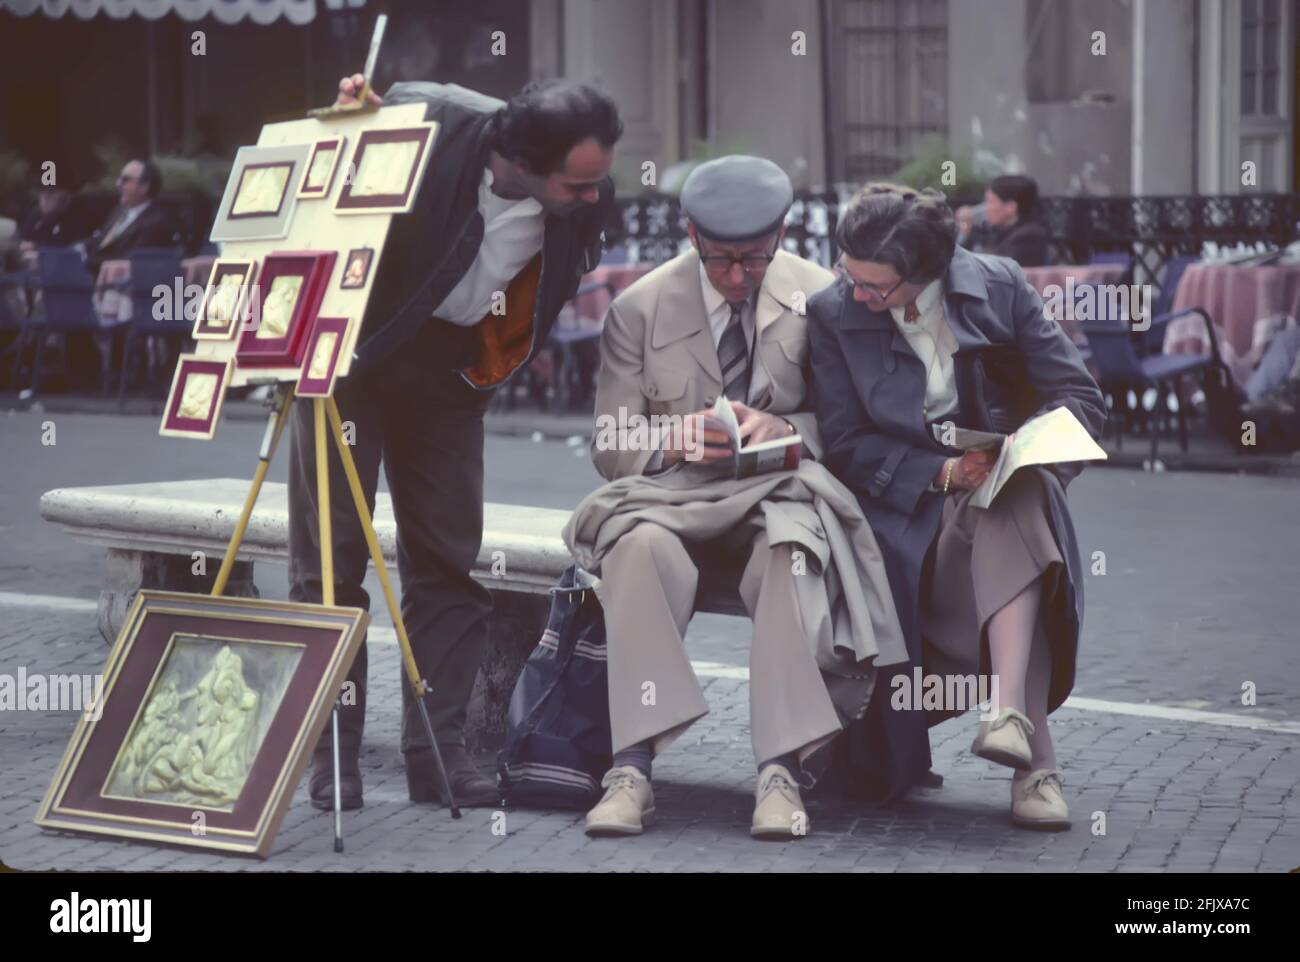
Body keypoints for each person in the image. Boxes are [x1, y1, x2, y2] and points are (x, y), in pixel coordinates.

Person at [289, 74, 620, 811]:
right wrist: (344, 124)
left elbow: (558, 273)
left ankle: (437, 753)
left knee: (446, 560)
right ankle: (330, 757)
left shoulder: (588, 193)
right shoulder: (422, 131)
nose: (594, 197)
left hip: (452, 372)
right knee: (333, 564)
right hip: (351, 356)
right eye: (577, 184)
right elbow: (316, 177)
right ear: (522, 161)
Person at [572, 156, 904, 839]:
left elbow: (852, 430)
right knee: (634, 548)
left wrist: (787, 428)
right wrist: (677, 438)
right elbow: (611, 441)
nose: (735, 276)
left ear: (782, 232)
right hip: (669, 501)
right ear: (690, 231)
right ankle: (631, 769)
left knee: (791, 555)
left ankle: (779, 773)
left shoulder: (823, 299)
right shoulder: (638, 307)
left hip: (777, 495)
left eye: (753, 260)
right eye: (720, 258)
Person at [808, 183, 1105, 829]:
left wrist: (1026, 453)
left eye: (876, 288)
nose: (858, 296)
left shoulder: (1001, 286)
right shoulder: (831, 310)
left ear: (927, 272)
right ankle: (1030, 754)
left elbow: (1081, 397)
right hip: (904, 516)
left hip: (1003, 500)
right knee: (1018, 526)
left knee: (1017, 494)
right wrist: (942, 471)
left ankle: (1010, 722)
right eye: (848, 276)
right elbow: (846, 444)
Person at [84, 159, 176, 273]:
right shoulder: (119, 210)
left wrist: (86, 260)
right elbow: (102, 243)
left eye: (125, 180)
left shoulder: (155, 224)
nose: (118, 184)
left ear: (144, 186)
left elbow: (126, 261)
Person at [955, 174, 1049, 268]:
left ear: (1010, 207)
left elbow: (992, 269)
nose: (986, 208)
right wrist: (965, 231)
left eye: (990, 202)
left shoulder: (1029, 237)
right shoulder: (999, 231)